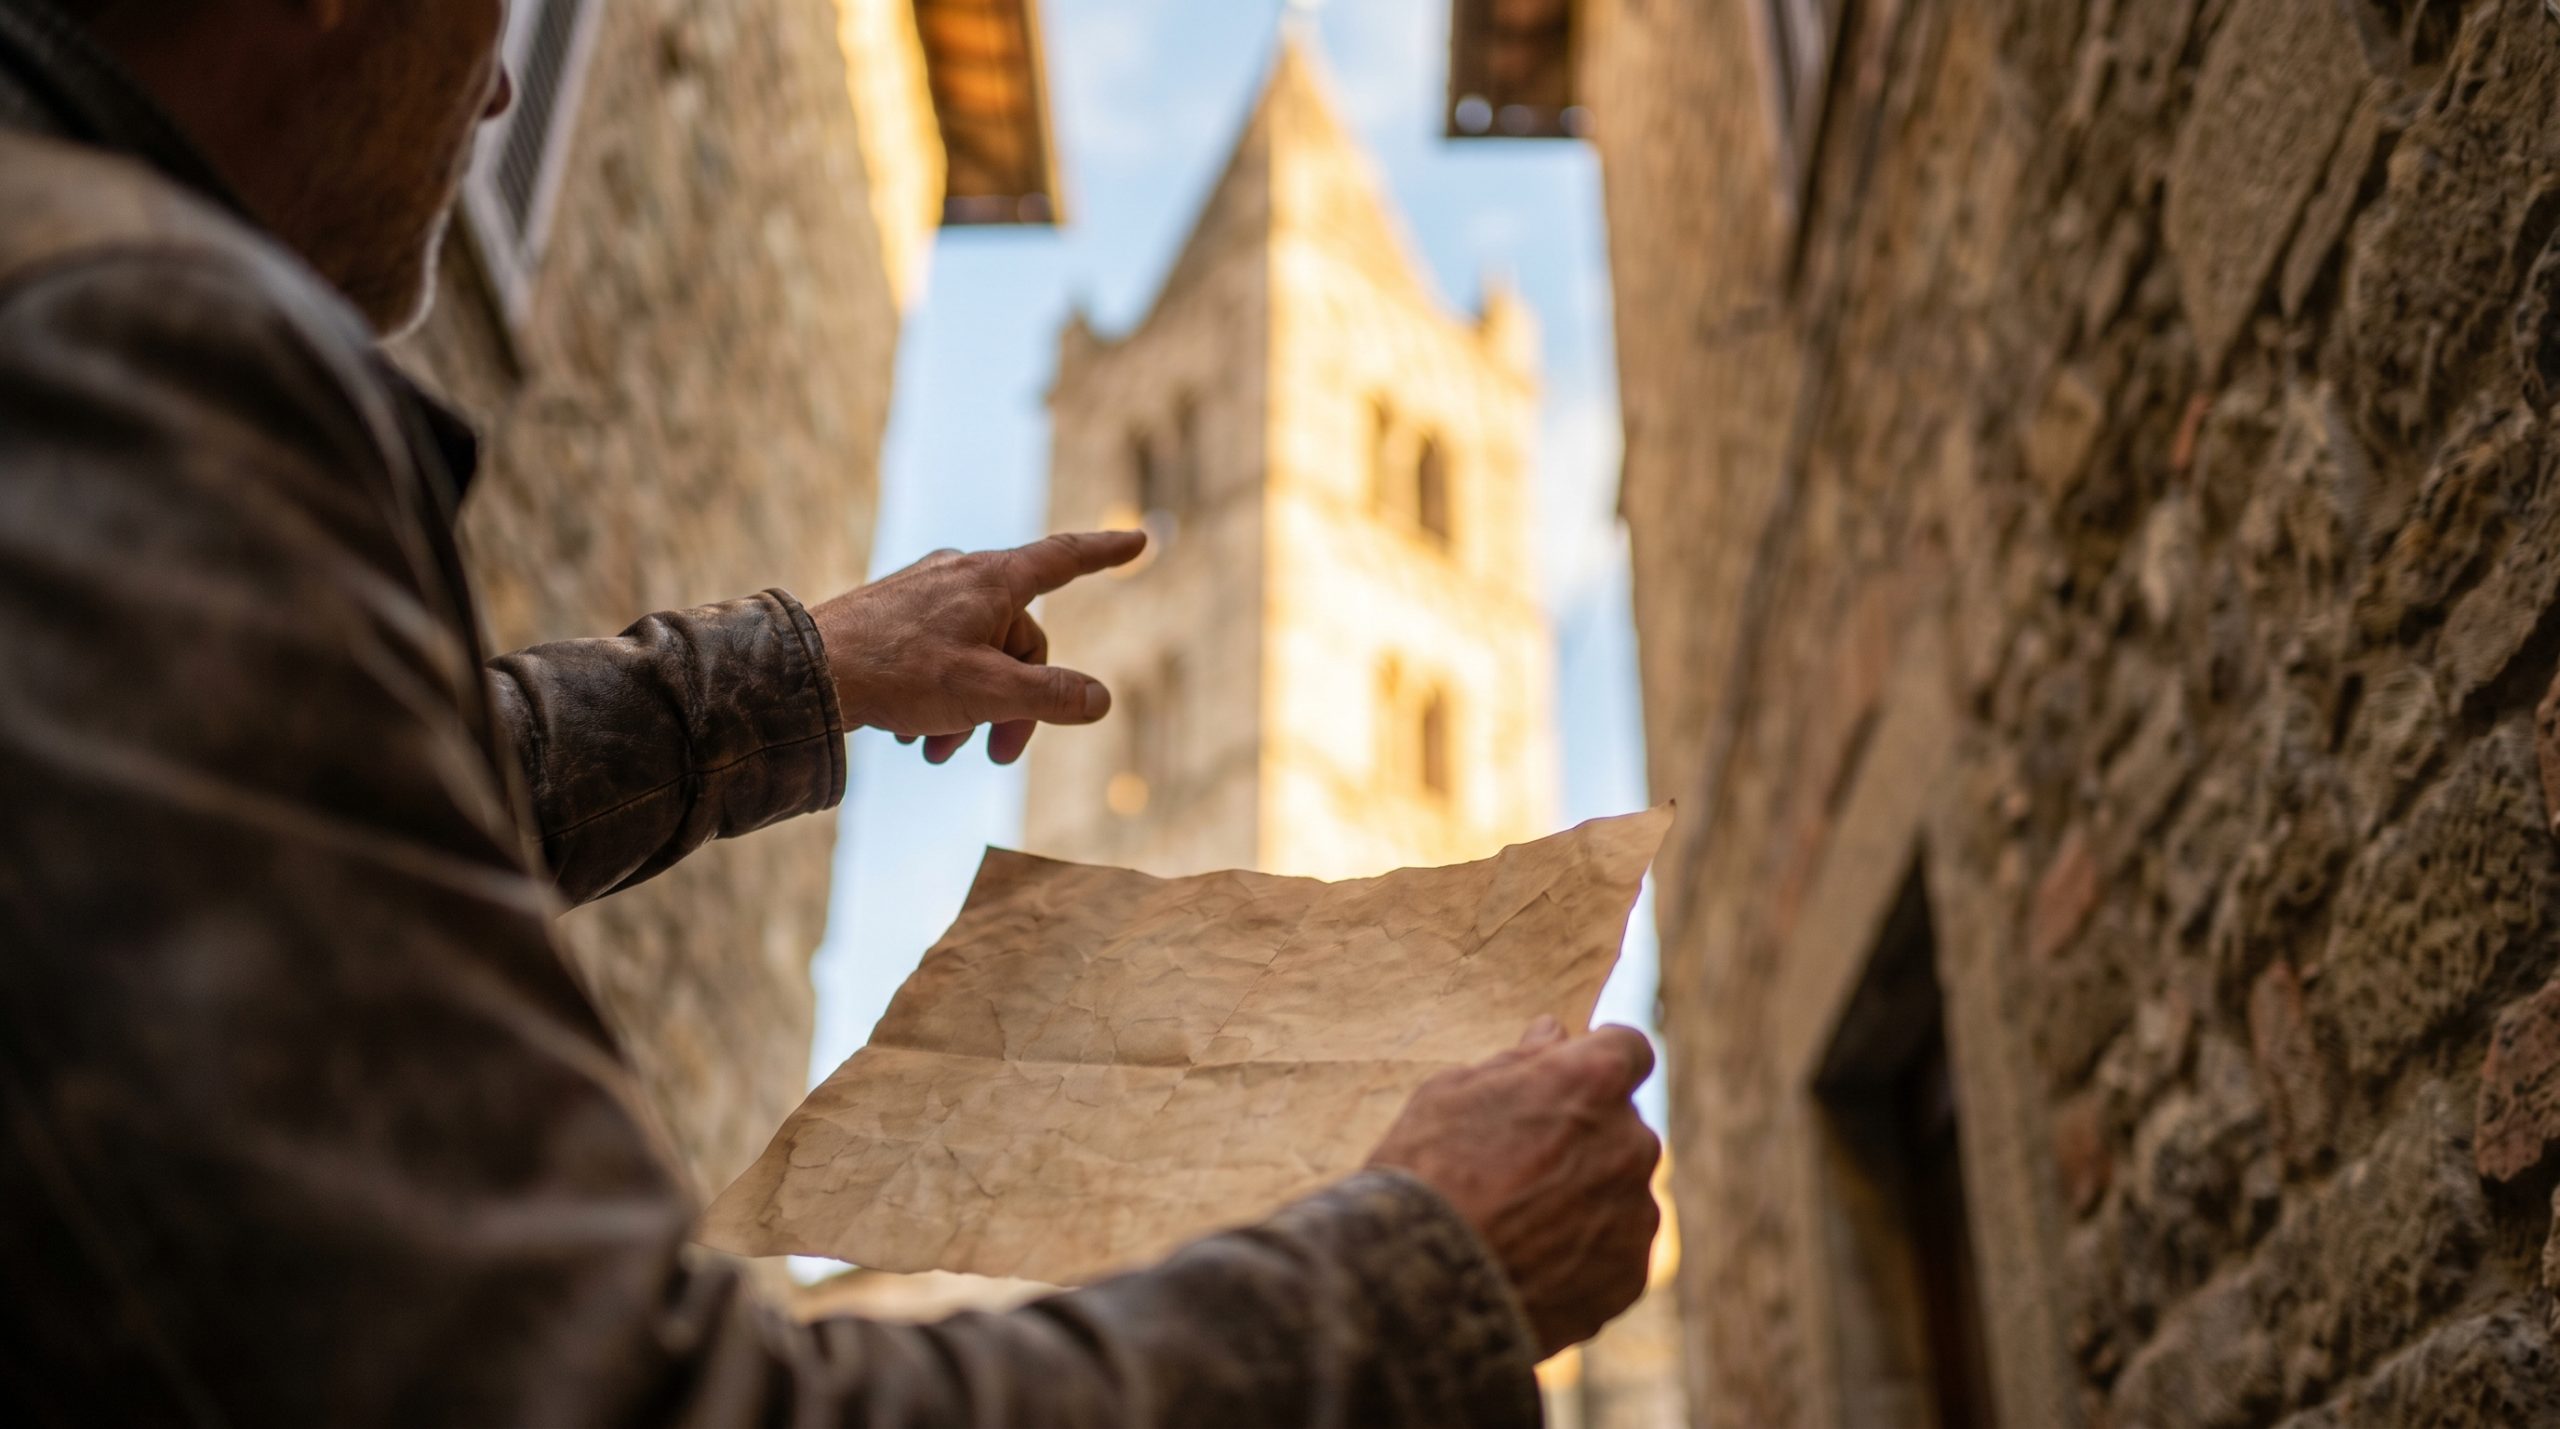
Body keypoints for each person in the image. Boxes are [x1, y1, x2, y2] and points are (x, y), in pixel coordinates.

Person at [0, 1, 1665, 1424]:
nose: (505, 89)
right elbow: (632, 1400)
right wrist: (1426, 1276)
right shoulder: (115, 348)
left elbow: (349, 789)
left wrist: (796, 668)